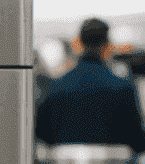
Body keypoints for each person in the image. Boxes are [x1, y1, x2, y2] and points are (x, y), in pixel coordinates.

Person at [36, 16, 145, 150]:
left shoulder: (55, 87)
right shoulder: (122, 88)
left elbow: (42, 135)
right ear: (107, 45)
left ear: (79, 43)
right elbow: (137, 140)